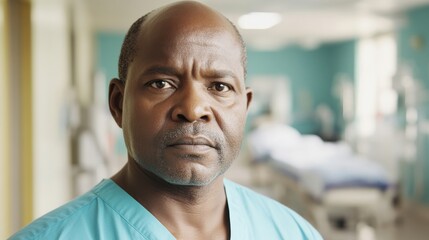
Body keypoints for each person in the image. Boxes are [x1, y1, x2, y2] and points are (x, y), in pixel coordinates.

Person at [10, 1, 323, 239]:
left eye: (220, 87)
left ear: (245, 106)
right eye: (161, 83)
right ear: (118, 104)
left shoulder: (293, 232)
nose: (193, 108)